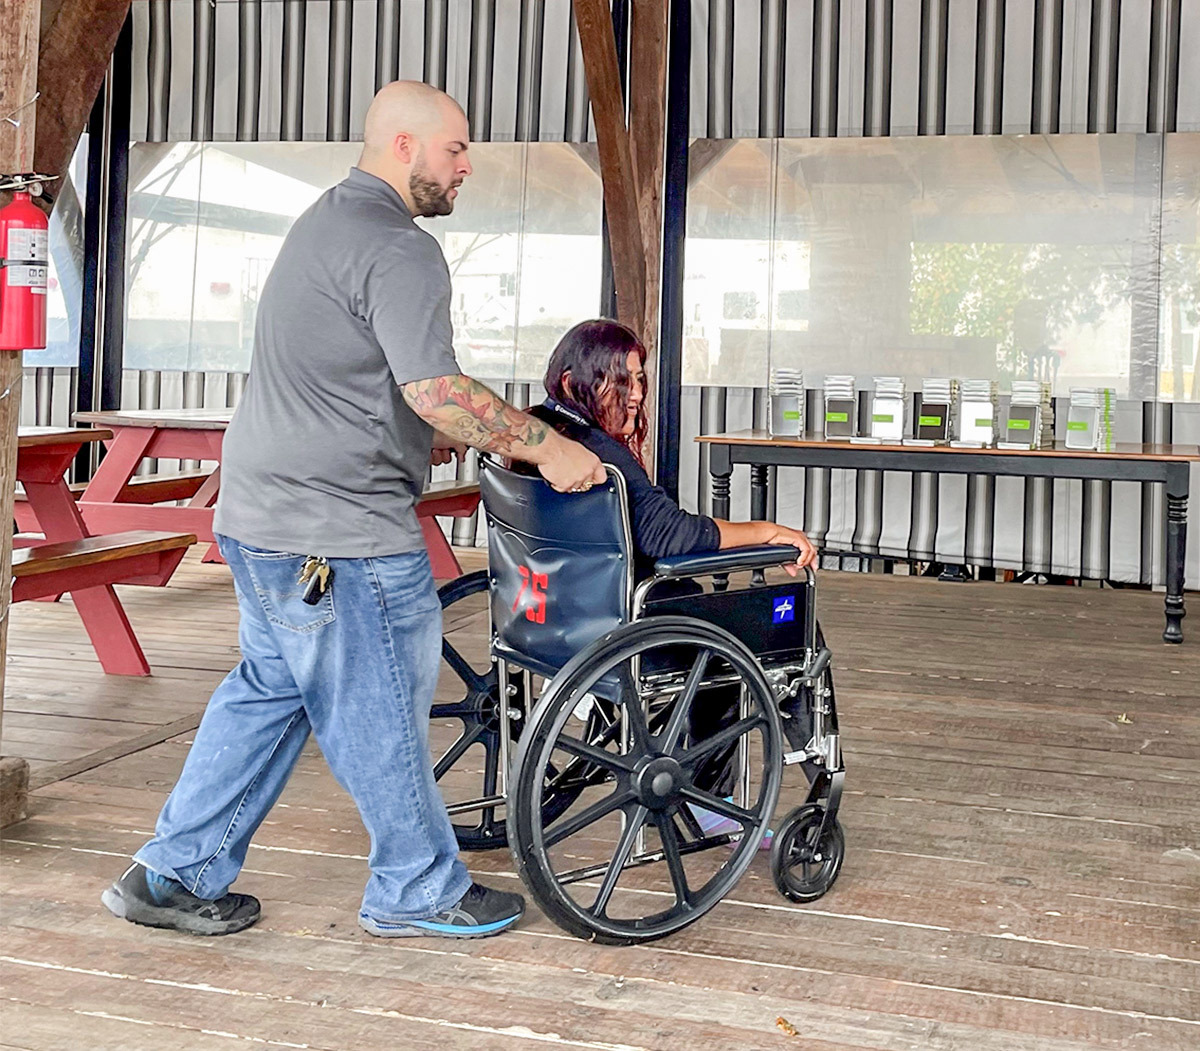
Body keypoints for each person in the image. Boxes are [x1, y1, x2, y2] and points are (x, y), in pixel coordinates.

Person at [100, 81, 605, 940]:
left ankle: (173, 871)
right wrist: (547, 448)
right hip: (338, 538)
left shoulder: (326, 220)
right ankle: (418, 887)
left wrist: (424, 432)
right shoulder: (398, 246)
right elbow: (436, 388)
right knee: (380, 706)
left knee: (271, 692)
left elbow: (362, 378)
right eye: (456, 150)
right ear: (404, 147)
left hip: (260, 518)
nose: (467, 166)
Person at [526, 318, 818, 843]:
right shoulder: (600, 456)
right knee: (755, 634)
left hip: (541, 610)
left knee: (712, 613)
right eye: (622, 382)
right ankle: (716, 799)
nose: (637, 395)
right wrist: (768, 533)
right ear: (573, 382)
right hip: (622, 622)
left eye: (640, 381)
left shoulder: (532, 436)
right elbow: (673, 537)